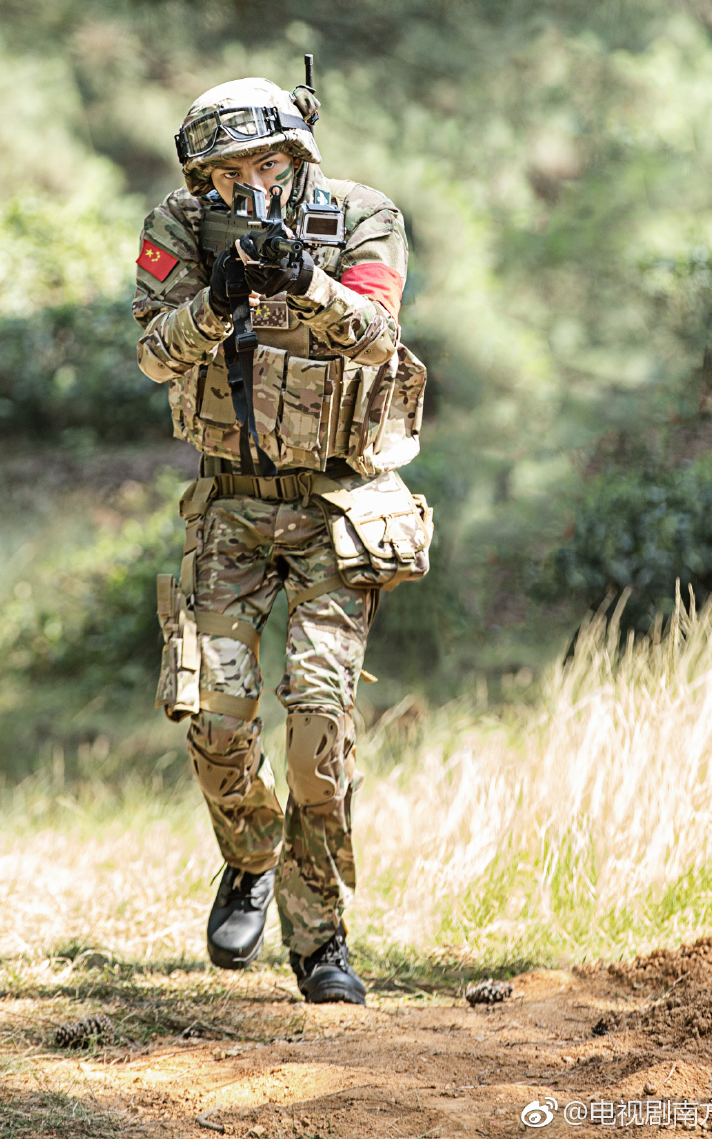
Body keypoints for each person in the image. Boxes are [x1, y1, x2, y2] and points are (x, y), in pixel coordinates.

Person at [132, 73, 430, 1005]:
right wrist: (217, 301)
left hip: (338, 509)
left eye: (260, 164)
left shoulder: (363, 215)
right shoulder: (180, 224)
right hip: (229, 506)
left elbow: (377, 336)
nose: (241, 187)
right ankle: (250, 856)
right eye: (220, 174)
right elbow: (152, 353)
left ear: (296, 155)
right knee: (216, 722)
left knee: (316, 731)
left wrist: (303, 280)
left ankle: (320, 940)